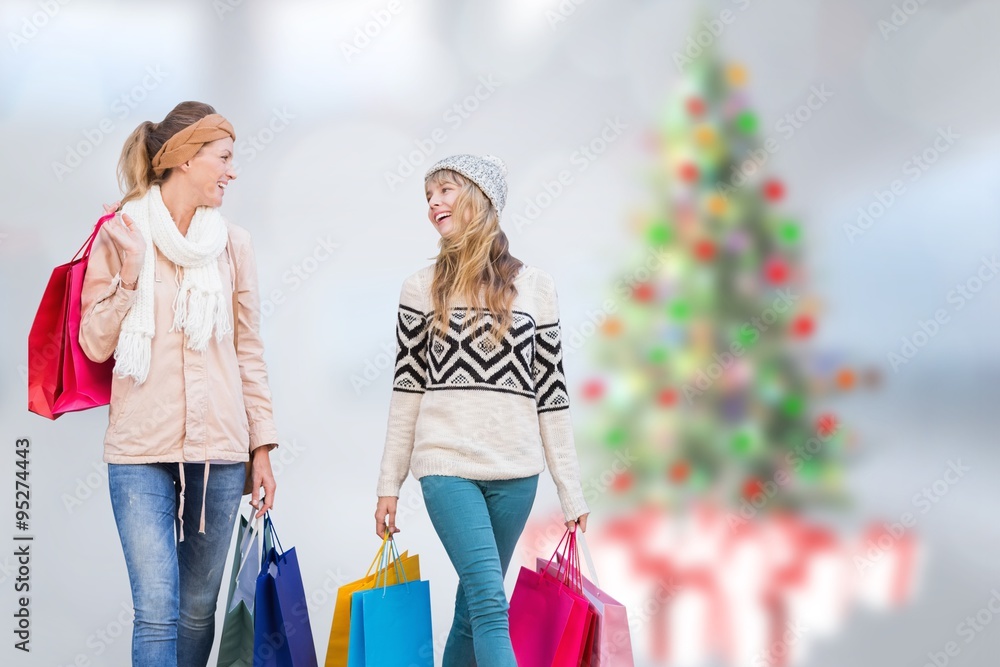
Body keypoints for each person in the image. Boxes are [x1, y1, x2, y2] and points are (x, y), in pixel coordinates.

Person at [79, 101, 279, 667]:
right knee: (156, 611)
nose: (230, 171)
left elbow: (248, 351)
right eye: (223, 157)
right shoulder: (120, 235)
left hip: (219, 452)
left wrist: (261, 447)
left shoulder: (233, 245)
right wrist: (129, 275)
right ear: (185, 158)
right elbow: (94, 344)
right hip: (140, 451)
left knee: (197, 609)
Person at [375, 154, 590, 666]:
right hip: (447, 467)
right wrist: (390, 483)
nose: (433, 203)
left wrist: (571, 490)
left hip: (516, 473)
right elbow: (407, 392)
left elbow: (552, 396)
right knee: (492, 604)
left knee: (472, 609)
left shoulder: (536, 287)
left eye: (445, 190)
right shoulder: (419, 288)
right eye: (429, 195)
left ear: (480, 199)